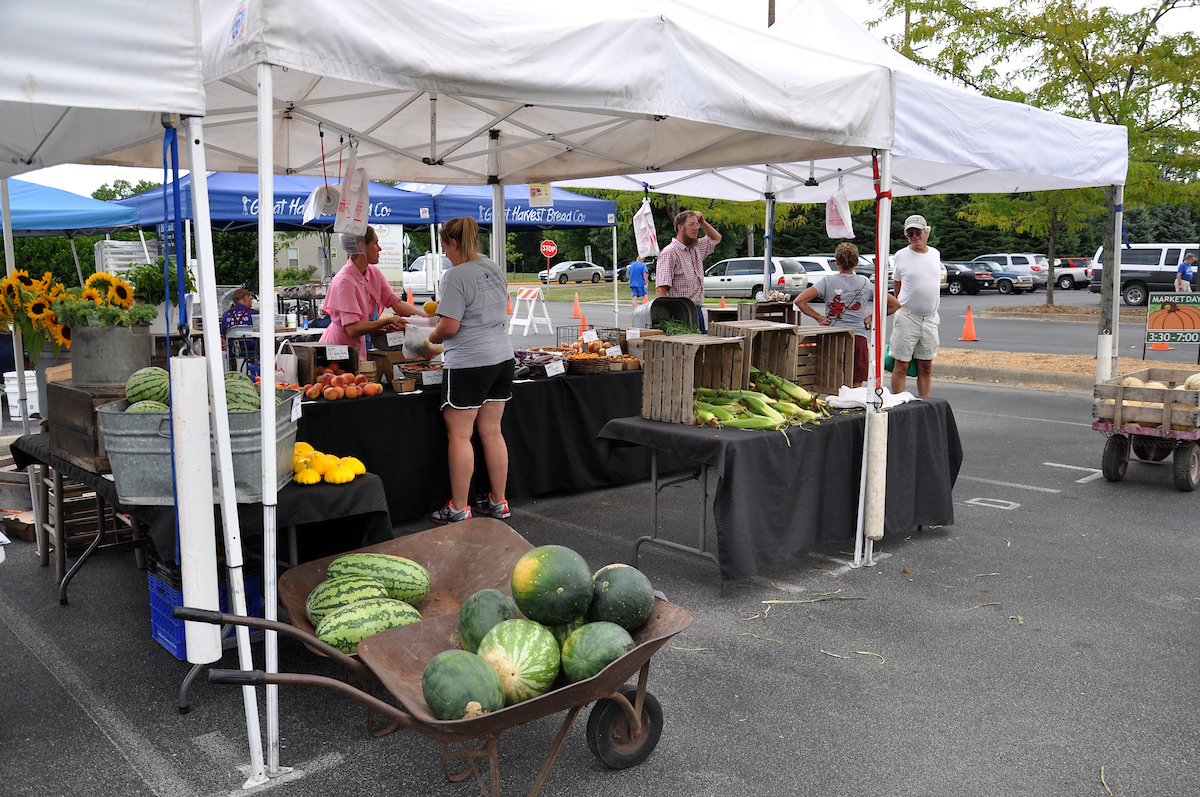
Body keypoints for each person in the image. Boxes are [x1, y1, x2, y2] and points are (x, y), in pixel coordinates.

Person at [426, 217, 515, 524]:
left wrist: (432, 336)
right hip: (502, 357)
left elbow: (449, 327)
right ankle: (498, 501)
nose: (446, 254)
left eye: (445, 248)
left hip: (469, 362)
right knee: (492, 431)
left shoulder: (454, 275)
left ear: (453, 243)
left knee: (460, 435)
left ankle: (459, 507)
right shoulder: (493, 267)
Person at [793, 242, 900, 388]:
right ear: (856, 262)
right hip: (857, 336)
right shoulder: (865, 283)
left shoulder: (827, 281)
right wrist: (871, 318)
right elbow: (895, 304)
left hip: (832, 336)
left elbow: (800, 301)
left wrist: (818, 317)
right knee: (856, 381)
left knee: (831, 380)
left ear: (836, 262)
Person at [320, 226, 425, 361]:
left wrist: (425, 315)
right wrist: (387, 320)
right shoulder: (344, 281)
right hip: (337, 349)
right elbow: (353, 328)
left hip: (357, 347)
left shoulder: (373, 272)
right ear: (361, 247)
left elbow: (396, 302)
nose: (379, 248)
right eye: (375, 243)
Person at [889, 214, 942, 397]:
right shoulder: (901, 255)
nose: (914, 236)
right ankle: (898, 404)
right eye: (910, 233)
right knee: (901, 365)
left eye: (917, 231)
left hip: (930, 318)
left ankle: (924, 404)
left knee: (926, 366)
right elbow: (897, 284)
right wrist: (902, 302)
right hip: (908, 317)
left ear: (926, 232)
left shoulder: (935, 253)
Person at [655, 210, 722, 332]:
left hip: (696, 310)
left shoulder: (696, 248)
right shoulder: (670, 252)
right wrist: (668, 322)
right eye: (692, 224)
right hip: (678, 313)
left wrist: (703, 221)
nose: (696, 228)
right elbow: (661, 290)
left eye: (697, 225)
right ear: (680, 227)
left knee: (699, 348)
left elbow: (716, 238)